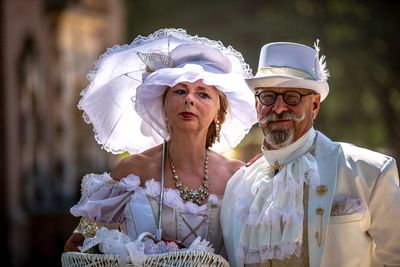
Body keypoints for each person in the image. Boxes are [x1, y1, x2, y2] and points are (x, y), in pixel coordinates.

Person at [63, 28, 257, 257]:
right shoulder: (132, 172)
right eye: (180, 91)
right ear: (164, 103)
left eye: (202, 94)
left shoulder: (237, 177)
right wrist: (135, 252)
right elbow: (78, 247)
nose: (189, 99)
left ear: (219, 111)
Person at [221, 41, 400, 267]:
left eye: (292, 97)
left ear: (315, 105)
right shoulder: (237, 188)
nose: (278, 108)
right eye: (267, 96)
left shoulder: (370, 172)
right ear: (257, 104)